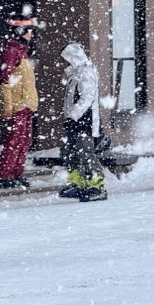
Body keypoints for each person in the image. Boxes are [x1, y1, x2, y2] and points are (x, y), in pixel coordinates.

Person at [58, 42, 107, 202]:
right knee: (70, 152)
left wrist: (74, 115)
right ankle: (78, 182)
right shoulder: (76, 73)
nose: (62, 63)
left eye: (64, 59)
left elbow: (87, 98)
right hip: (76, 122)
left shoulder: (85, 72)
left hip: (84, 122)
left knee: (86, 153)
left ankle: (97, 186)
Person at [0, 14, 39, 189]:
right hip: (18, 104)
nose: (31, 34)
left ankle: (15, 173)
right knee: (14, 141)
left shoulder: (22, 51)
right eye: (29, 31)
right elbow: (5, 81)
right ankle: (5, 175)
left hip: (25, 103)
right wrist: (8, 105)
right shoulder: (12, 51)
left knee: (23, 140)